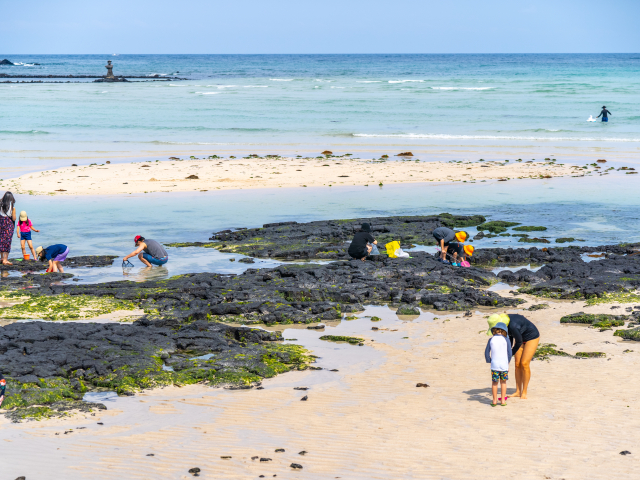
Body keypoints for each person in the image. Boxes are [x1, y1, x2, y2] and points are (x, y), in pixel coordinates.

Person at [506, 313, 540, 399]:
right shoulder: (502, 325)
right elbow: (509, 341)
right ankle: (518, 391)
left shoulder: (513, 325)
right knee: (517, 364)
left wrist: (510, 355)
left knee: (524, 363)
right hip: (519, 337)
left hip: (531, 337)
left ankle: (524, 392)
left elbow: (518, 342)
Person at [484, 321, 512, 407]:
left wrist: (489, 360)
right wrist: (507, 362)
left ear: (494, 330)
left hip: (494, 365)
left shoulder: (491, 339)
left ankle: (494, 400)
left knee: (494, 383)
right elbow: (509, 353)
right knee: (503, 382)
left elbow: (486, 352)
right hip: (503, 365)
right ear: (504, 331)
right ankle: (503, 400)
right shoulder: (506, 339)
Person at [0, 192, 16, 265]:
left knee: (1, 240)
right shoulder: (12, 207)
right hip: (8, 225)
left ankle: (2, 257)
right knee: (7, 242)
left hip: (1, 223)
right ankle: (5, 260)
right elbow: (14, 218)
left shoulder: (0, 205)